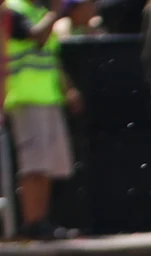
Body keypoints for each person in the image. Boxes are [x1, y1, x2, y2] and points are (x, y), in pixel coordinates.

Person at [5, 0, 78, 240]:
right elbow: (36, 36)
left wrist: (67, 88)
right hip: (24, 97)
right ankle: (32, 222)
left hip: (48, 97)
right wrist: (56, 12)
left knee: (48, 165)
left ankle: (42, 221)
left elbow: (50, 55)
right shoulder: (14, 10)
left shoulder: (40, 11)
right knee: (34, 165)